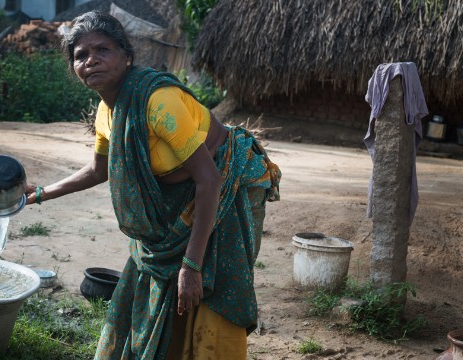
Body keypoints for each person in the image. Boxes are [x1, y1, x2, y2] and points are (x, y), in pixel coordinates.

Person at [24, 10, 281, 360]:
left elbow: (210, 179)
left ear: (126, 56)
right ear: (73, 67)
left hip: (228, 184)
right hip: (184, 196)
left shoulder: (158, 103)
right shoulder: (107, 113)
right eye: (81, 55)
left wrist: (191, 265)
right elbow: (100, 170)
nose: (91, 60)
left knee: (213, 287)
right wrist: (40, 193)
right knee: (160, 286)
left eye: (103, 50)